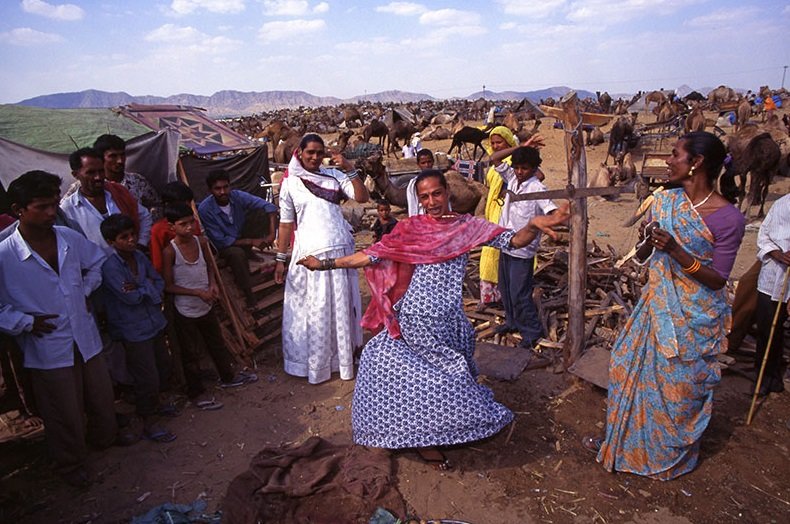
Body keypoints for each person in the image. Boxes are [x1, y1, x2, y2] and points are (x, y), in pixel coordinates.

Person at [298, 170, 568, 466]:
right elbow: (371, 255)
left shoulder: (467, 227)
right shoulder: (411, 228)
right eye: (424, 196)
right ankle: (408, 437)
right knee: (386, 364)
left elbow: (512, 241)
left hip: (447, 320)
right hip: (413, 318)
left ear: (447, 193)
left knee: (441, 381)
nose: (431, 201)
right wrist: (323, 264)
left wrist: (532, 225)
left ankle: (435, 433)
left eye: (436, 194)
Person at [588, 131, 745, 480]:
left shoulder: (728, 218)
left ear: (696, 164)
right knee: (625, 366)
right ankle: (627, 447)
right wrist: (649, 240)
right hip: (657, 307)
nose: (668, 161)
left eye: (675, 154)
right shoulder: (665, 202)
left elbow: (719, 279)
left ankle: (665, 455)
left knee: (678, 389)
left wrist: (676, 250)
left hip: (694, 315)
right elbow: (644, 256)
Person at [0, 171, 117, 487]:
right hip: (47, 345)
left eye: (54, 204)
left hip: (84, 335)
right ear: (18, 209)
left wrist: (86, 290)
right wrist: (23, 322)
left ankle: (105, 441)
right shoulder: (5, 255)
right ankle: (70, 464)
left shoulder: (68, 238)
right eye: (42, 207)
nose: (52, 213)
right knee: (62, 411)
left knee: (101, 396)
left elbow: (97, 264)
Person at [274, 133, 369, 384]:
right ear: (300, 153)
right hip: (309, 254)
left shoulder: (335, 176)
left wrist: (349, 168)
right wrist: (280, 259)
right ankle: (313, 365)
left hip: (339, 252)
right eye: (310, 153)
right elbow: (285, 225)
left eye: (319, 152)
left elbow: (362, 197)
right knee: (314, 309)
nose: (315, 157)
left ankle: (342, 361)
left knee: (339, 308)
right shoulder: (291, 183)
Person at [162, 203, 256, 406]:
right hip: (185, 309)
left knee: (216, 343)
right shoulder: (170, 252)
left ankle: (228, 377)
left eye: (191, 222)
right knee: (190, 353)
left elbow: (209, 268)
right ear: (172, 227)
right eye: (183, 224)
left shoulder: (201, 242)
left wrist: (212, 285)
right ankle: (196, 394)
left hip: (206, 303)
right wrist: (196, 292)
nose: (189, 227)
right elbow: (168, 286)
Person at [100, 214, 175, 442]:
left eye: (132, 234)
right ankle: (148, 421)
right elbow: (130, 298)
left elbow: (160, 282)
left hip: (153, 322)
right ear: (111, 241)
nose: (131, 240)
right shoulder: (110, 267)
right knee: (146, 377)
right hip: (133, 330)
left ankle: (157, 405)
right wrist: (147, 289)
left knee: (162, 367)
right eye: (124, 237)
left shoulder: (140, 258)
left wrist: (142, 286)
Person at [491, 146, 557, 346]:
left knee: (520, 292)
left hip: (523, 249)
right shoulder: (511, 178)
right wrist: (519, 146)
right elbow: (494, 157)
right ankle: (512, 322)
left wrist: (556, 221)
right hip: (505, 243)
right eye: (517, 167)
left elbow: (550, 210)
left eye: (525, 168)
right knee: (506, 289)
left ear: (534, 168)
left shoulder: (537, 188)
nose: (520, 172)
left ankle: (531, 331)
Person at [197, 170, 277, 308]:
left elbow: (269, 206)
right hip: (223, 246)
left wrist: (271, 235)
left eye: (226, 187)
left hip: (239, 234)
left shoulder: (237, 196)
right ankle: (249, 294)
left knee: (260, 211)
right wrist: (252, 241)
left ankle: (248, 250)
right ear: (210, 190)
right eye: (218, 189)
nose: (223, 192)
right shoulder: (205, 209)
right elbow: (221, 241)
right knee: (236, 254)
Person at [60, 147, 152, 252]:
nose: (98, 177)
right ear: (76, 175)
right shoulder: (68, 208)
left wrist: (140, 244)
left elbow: (144, 216)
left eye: (101, 171)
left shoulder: (119, 192)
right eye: (91, 173)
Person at [63, 135, 161, 219]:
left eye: (122, 155)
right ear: (101, 158)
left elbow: (156, 205)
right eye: (113, 156)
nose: (120, 161)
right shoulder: (80, 188)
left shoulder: (137, 181)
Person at [753, 193, 790, 395]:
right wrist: (778, 254)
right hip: (772, 278)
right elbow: (763, 237)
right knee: (767, 330)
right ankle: (764, 379)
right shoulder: (781, 205)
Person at [478, 126, 518, 310]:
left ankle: (504, 294)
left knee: (501, 251)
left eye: (499, 142)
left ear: (508, 142)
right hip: (492, 209)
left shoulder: (513, 161)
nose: (495, 146)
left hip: (505, 211)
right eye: (493, 143)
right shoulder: (496, 162)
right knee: (490, 252)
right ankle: (491, 295)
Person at [150, 181, 202, 274]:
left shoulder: (194, 223)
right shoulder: (158, 230)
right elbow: (158, 264)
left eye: (189, 203)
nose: (187, 207)